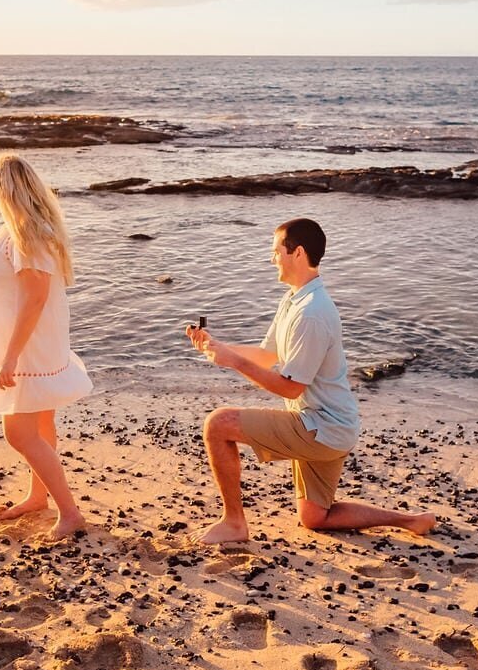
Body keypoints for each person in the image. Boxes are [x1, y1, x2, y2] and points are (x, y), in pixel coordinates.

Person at [187, 218, 439, 545]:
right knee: (314, 517)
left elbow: (291, 387)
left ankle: (234, 523)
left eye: (275, 251)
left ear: (298, 252)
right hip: (332, 424)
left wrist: (233, 361)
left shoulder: (313, 313)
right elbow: (267, 355)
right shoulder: (295, 300)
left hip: (322, 427)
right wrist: (218, 346)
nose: (271, 258)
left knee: (218, 424)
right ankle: (411, 520)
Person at [0, 153, 91, 539]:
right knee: (40, 425)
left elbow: (35, 299)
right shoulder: (15, 231)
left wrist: (9, 357)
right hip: (26, 348)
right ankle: (38, 497)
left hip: (27, 352)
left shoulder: (28, 234)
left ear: (0, 188)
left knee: (20, 434)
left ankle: (70, 513)